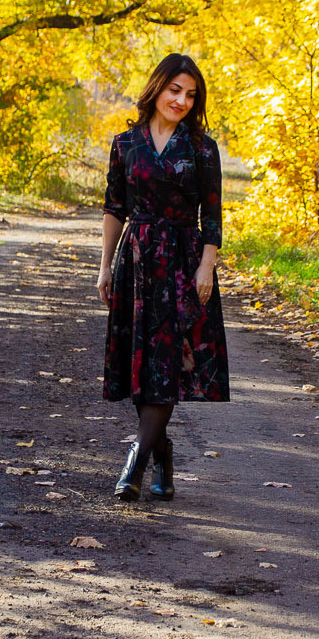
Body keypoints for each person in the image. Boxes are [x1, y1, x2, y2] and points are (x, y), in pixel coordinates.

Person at [96, 54, 230, 501]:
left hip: (182, 262)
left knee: (167, 362)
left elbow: (212, 214)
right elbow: (115, 208)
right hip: (136, 260)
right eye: (175, 90)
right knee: (141, 360)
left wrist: (207, 265)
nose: (182, 101)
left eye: (191, 95)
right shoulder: (125, 144)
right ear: (157, 88)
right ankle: (162, 453)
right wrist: (105, 265)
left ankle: (134, 462)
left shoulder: (202, 148)